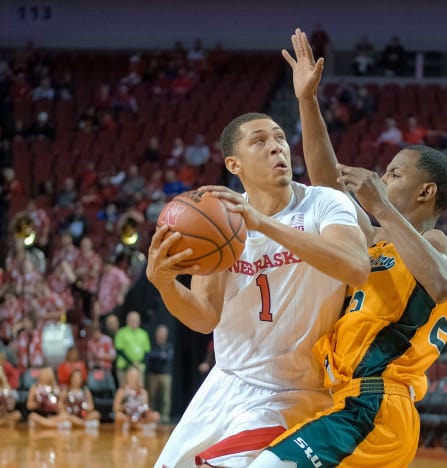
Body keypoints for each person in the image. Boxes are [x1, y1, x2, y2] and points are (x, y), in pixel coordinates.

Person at [249, 28, 447, 468]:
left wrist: (383, 208)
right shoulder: (375, 239)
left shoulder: (436, 242)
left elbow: (444, 284)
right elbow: (326, 182)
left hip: (377, 408)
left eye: (394, 174)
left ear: (425, 193)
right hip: (344, 401)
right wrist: (307, 102)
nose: (382, 179)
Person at [149, 53, 369, 468]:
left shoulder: (326, 203)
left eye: (280, 138)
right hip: (226, 383)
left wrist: (264, 224)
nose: (275, 148)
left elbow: (355, 266)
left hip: (295, 393)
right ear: (234, 164)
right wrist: (165, 285)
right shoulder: (222, 222)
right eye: (259, 141)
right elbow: (204, 316)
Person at [113, 366, 159, 432]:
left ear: (138, 378)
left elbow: (146, 408)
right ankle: (136, 426)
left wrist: (140, 408)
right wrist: (126, 406)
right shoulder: (122, 390)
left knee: (156, 415)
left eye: (134, 377)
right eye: (131, 376)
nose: (132, 379)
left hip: (139, 416)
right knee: (118, 416)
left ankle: (134, 425)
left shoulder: (143, 391)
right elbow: (115, 408)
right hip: (127, 416)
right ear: (127, 377)